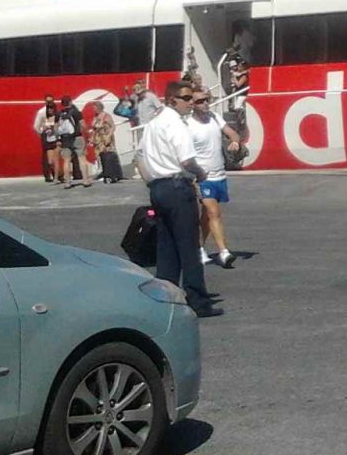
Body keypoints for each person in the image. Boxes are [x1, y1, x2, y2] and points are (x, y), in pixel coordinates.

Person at [136, 79, 220, 316]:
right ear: (172, 100)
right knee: (189, 246)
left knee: (167, 247)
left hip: (158, 187)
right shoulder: (176, 124)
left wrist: (151, 181)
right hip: (177, 186)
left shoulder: (153, 124)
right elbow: (187, 161)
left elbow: (139, 155)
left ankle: (165, 298)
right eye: (186, 99)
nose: (191, 104)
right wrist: (202, 174)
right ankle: (198, 301)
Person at [187, 87, 240, 268]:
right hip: (202, 176)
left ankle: (199, 248)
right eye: (200, 101)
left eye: (207, 99)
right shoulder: (188, 126)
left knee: (206, 216)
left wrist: (234, 141)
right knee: (214, 213)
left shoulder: (216, 118)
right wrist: (193, 177)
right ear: (192, 104)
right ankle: (223, 252)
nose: (205, 103)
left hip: (219, 174)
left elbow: (233, 133)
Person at [57, 95, 90, 187]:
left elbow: (56, 128)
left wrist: (58, 139)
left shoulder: (59, 114)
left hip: (65, 139)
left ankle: (67, 182)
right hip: (77, 137)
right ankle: (85, 180)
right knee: (82, 158)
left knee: (66, 161)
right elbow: (83, 125)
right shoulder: (76, 112)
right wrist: (87, 133)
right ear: (70, 102)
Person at [91, 100, 123, 183]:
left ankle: (111, 173)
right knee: (100, 156)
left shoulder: (106, 116)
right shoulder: (95, 117)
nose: (93, 109)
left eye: (94, 108)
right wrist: (92, 138)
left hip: (105, 137)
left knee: (108, 155)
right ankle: (104, 172)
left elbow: (112, 126)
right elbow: (94, 128)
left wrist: (109, 136)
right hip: (98, 139)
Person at [34, 95, 61, 182]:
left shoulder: (57, 112)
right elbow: (36, 126)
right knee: (48, 159)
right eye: (48, 101)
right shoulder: (41, 112)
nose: (50, 103)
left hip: (56, 136)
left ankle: (57, 176)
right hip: (46, 136)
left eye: (51, 101)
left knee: (56, 158)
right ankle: (48, 175)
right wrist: (42, 132)